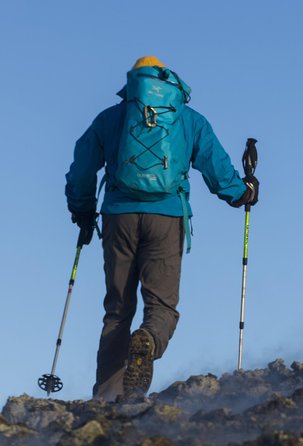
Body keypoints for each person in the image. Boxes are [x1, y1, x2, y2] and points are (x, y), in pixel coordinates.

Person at [65, 56, 258, 401]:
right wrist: (241, 194)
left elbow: (82, 166)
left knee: (117, 309)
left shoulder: (113, 117)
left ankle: (107, 397)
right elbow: (216, 166)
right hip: (167, 217)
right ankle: (150, 338)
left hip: (118, 217)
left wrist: (82, 210)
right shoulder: (187, 118)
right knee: (161, 304)